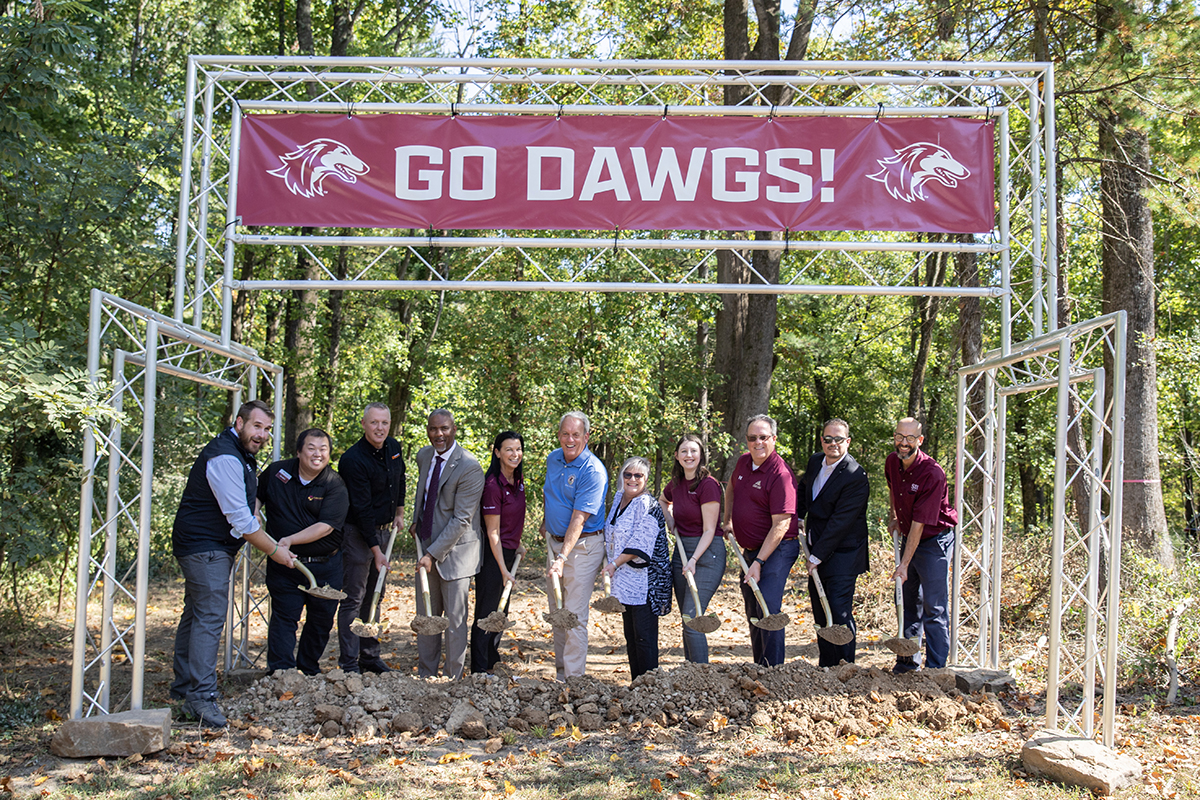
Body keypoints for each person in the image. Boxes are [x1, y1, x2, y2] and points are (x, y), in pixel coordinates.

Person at [171, 399, 296, 728]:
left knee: (197, 613)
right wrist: (274, 551)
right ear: (238, 422)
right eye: (257, 426)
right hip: (204, 546)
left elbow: (246, 510)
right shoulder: (225, 456)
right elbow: (241, 519)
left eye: (267, 429)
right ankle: (201, 696)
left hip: (208, 545)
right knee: (210, 615)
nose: (262, 434)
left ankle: (184, 688)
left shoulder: (240, 455)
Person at [257, 428, 349, 675]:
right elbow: (256, 496)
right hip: (285, 565)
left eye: (323, 449)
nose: (317, 454)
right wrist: (253, 513)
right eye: (311, 448)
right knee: (284, 618)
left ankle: (308, 670)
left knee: (321, 621)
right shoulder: (277, 473)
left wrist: (289, 540)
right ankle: (281, 673)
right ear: (298, 452)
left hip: (325, 566)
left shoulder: (334, 484)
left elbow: (326, 527)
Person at [411, 409, 485, 680]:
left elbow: (461, 519)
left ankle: (452, 679)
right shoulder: (424, 456)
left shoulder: (469, 466)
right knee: (427, 616)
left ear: (454, 429)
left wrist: (432, 554)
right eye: (433, 429)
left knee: (455, 622)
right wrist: (416, 522)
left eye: (444, 428)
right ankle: (426, 676)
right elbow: (425, 495)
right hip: (426, 548)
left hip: (456, 554)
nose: (438, 434)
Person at [722, 414, 800, 667]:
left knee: (767, 606)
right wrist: (728, 520)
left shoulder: (781, 475)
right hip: (751, 549)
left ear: (774, 439)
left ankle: (774, 671)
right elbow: (732, 488)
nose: (758, 443)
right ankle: (760, 667)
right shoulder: (744, 463)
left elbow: (782, 524)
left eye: (763, 437)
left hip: (778, 549)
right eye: (752, 438)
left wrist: (758, 561)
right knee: (753, 608)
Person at [337, 402, 406, 674]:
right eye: (374, 423)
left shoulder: (394, 448)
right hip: (357, 534)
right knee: (354, 597)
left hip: (384, 530)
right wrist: (377, 550)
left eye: (384, 423)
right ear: (364, 424)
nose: (380, 428)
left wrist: (399, 512)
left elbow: (399, 481)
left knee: (375, 595)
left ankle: (369, 656)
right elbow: (362, 509)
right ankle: (349, 662)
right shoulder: (353, 460)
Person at [886, 417, 959, 672]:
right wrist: (895, 516)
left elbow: (919, 524)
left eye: (909, 438)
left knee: (933, 606)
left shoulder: (932, 473)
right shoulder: (892, 461)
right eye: (899, 437)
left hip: (934, 539)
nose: (903, 443)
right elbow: (893, 489)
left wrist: (904, 564)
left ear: (920, 440)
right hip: (910, 535)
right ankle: (907, 664)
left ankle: (936, 670)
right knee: (908, 603)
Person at [796, 418, 870, 667]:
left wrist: (816, 556)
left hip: (844, 554)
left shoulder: (855, 475)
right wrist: (797, 514)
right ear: (822, 440)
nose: (833, 444)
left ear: (847, 442)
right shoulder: (816, 461)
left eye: (839, 439)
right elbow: (805, 489)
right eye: (828, 439)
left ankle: (844, 667)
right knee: (820, 609)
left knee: (838, 610)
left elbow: (841, 522)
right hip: (817, 546)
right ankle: (826, 666)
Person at [542, 411, 608, 680]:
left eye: (576, 435)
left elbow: (580, 519)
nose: (570, 439)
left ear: (586, 437)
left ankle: (574, 681)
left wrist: (561, 558)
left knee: (573, 615)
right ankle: (561, 676)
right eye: (565, 434)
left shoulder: (593, 471)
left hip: (583, 547)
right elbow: (551, 493)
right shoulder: (553, 459)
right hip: (555, 544)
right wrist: (547, 522)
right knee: (558, 613)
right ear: (559, 435)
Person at [660, 433, 725, 663]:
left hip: (706, 555)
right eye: (684, 451)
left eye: (694, 451)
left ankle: (701, 676)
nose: (689, 455)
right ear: (677, 456)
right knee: (686, 618)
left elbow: (709, 530)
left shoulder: (708, 485)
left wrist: (694, 560)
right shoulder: (676, 484)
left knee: (692, 618)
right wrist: (670, 521)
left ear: (701, 455)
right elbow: (663, 501)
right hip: (682, 553)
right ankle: (690, 671)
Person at [604, 457, 671, 681]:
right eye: (628, 475)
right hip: (623, 580)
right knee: (630, 635)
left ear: (646, 479)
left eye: (638, 476)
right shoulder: (618, 499)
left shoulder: (647, 504)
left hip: (645, 581)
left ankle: (650, 685)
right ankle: (636, 684)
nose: (632, 479)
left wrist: (613, 564)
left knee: (644, 637)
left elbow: (641, 542)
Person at [469, 431, 528, 674]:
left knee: (501, 612)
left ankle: (493, 663)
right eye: (509, 450)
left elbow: (511, 520)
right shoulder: (492, 485)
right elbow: (492, 532)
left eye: (518, 449)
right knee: (487, 613)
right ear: (497, 453)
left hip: (509, 552)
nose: (515, 454)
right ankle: (479, 669)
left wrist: (518, 543)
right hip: (494, 557)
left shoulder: (518, 480)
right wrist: (503, 569)